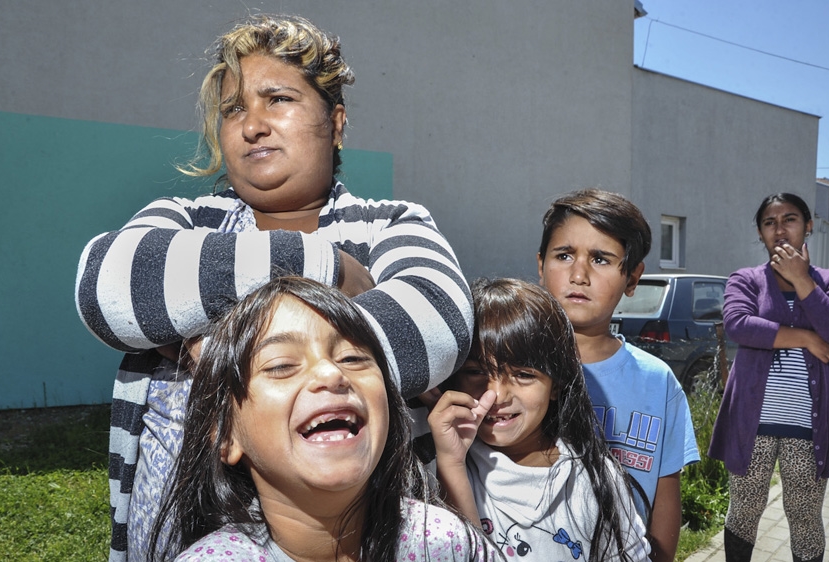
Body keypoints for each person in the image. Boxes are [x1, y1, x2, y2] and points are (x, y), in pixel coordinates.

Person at [74, 15, 473, 561]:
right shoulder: (188, 219)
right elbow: (107, 287)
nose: (252, 125)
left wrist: (213, 345)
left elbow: (435, 327)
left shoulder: (391, 224)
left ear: (335, 123)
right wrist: (321, 264)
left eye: (277, 99)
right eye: (233, 108)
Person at [147, 276, 496, 561]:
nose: (332, 373)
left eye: (353, 358)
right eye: (282, 365)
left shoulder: (444, 541)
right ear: (225, 438)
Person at [428, 278, 650, 561]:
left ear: (556, 385)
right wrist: (451, 463)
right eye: (476, 371)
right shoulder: (434, 469)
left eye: (523, 374)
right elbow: (453, 554)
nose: (496, 394)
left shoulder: (594, 479)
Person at [536, 190, 698, 562]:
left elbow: (664, 493)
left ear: (632, 277)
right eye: (564, 255)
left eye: (601, 259)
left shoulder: (658, 384)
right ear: (541, 264)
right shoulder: (509, 370)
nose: (579, 274)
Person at [709, 193, 829, 562]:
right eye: (769, 222)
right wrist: (806, 337)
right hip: (752, 426)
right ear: (760, 233)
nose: (780, 229)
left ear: (808, 225)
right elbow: (739, 325)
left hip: (807, 426)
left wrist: (802, 280)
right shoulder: (747, 279)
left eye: (789, 219)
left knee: (805, 517)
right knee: (743, 513)